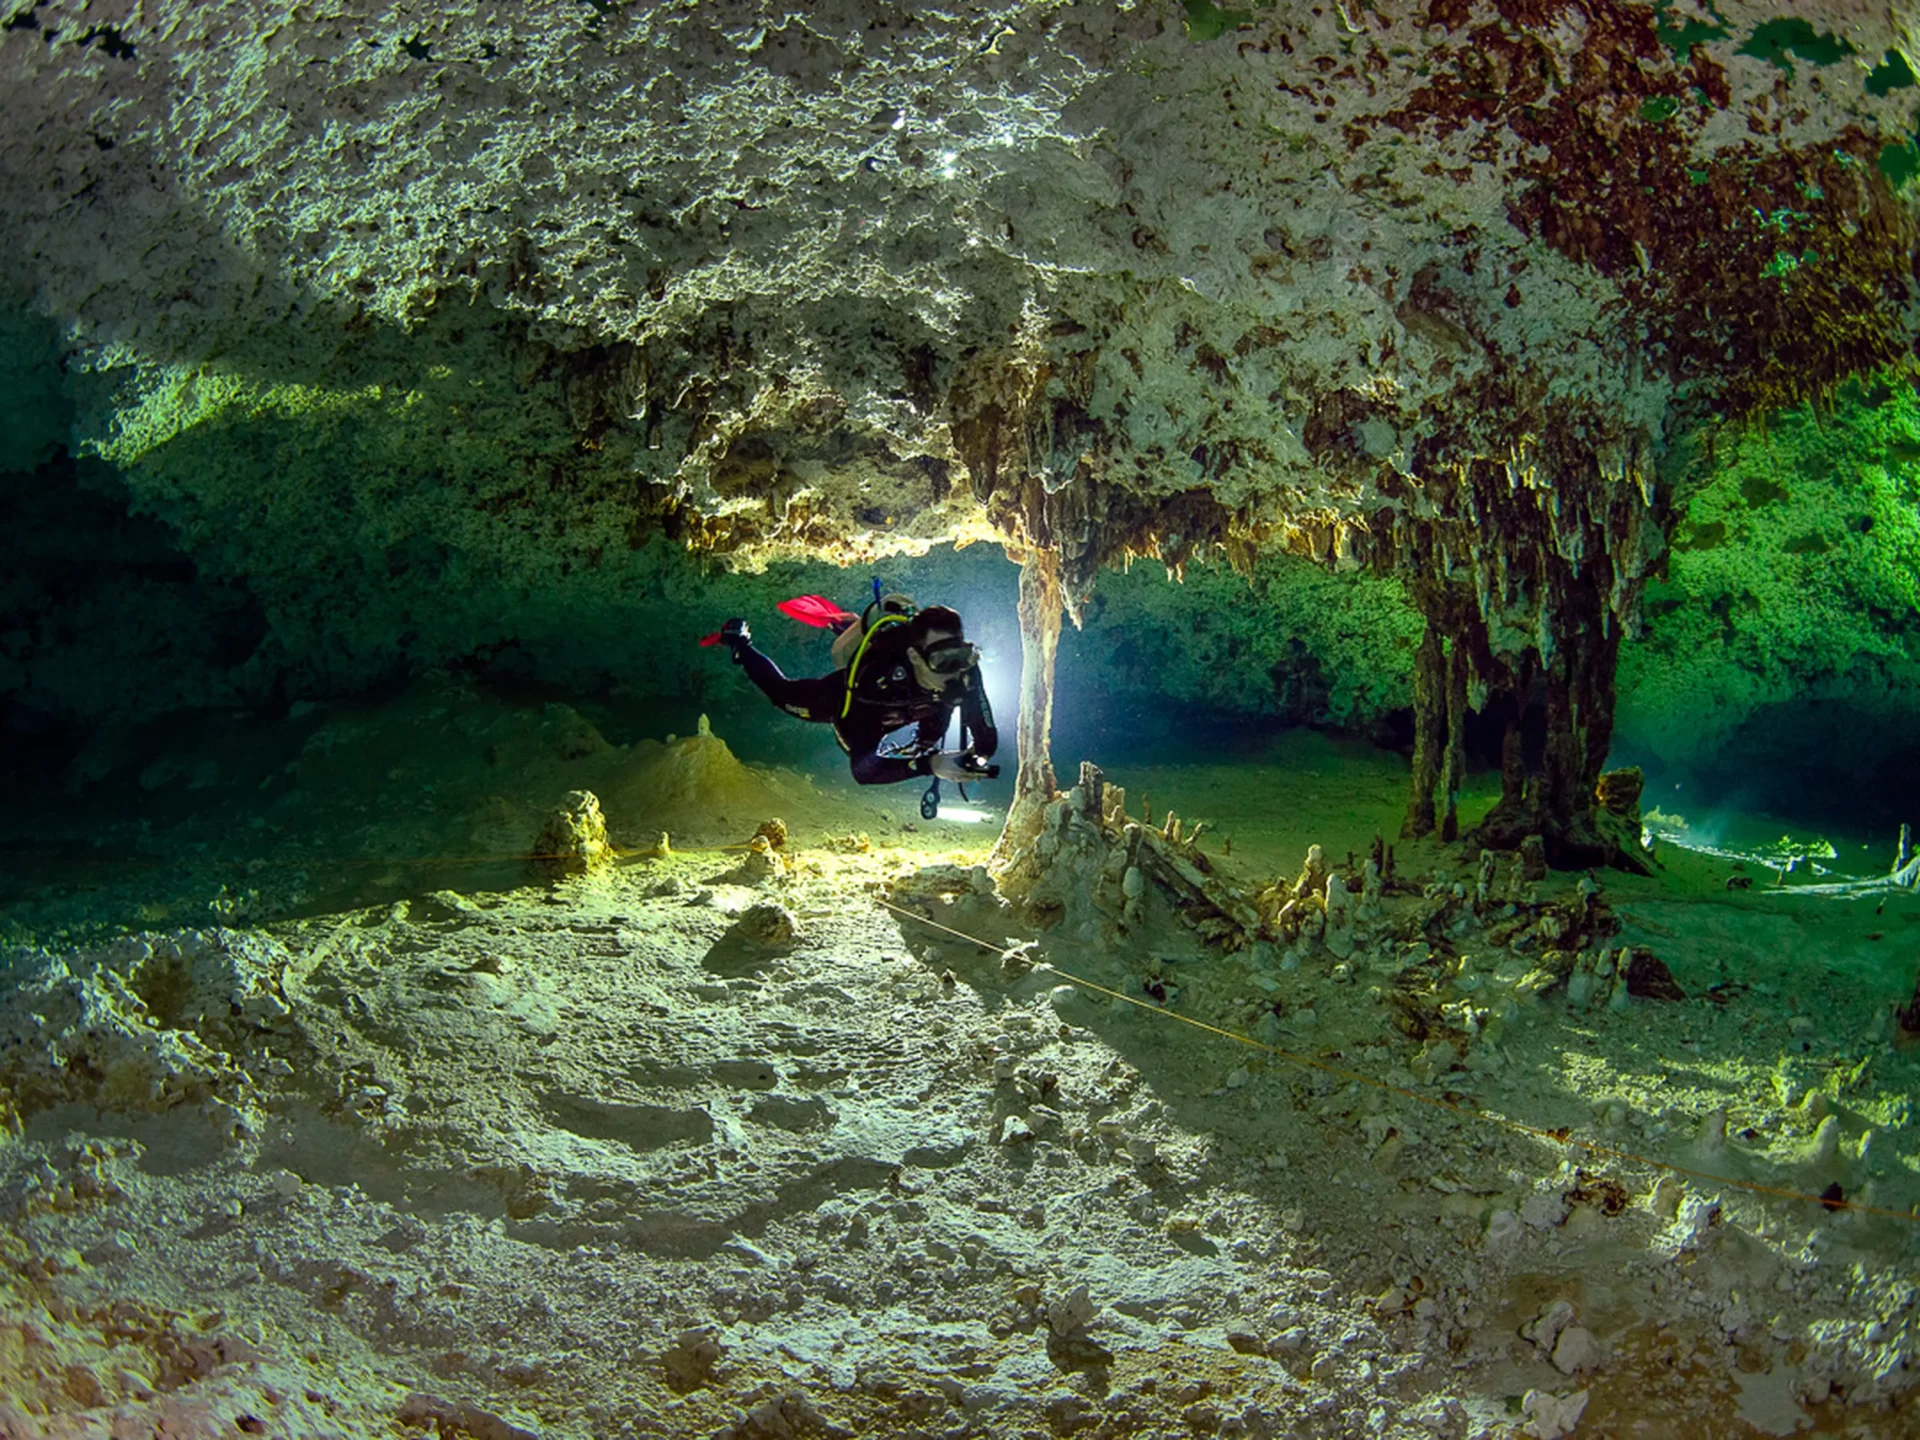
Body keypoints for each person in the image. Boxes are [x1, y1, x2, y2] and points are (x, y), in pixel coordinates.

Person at [715, 602, 999, 787]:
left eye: (963, 655)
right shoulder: (877, 685)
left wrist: (974, 761)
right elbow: (864, 771)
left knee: (937, 713)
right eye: (943, 661)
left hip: (916, 709)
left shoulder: (965, 671)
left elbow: (986, 740)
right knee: (782, 695)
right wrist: (931, 764)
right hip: (848, 705)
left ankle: (849, 627)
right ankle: (741, 644)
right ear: (914, 657)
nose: (956, 672)